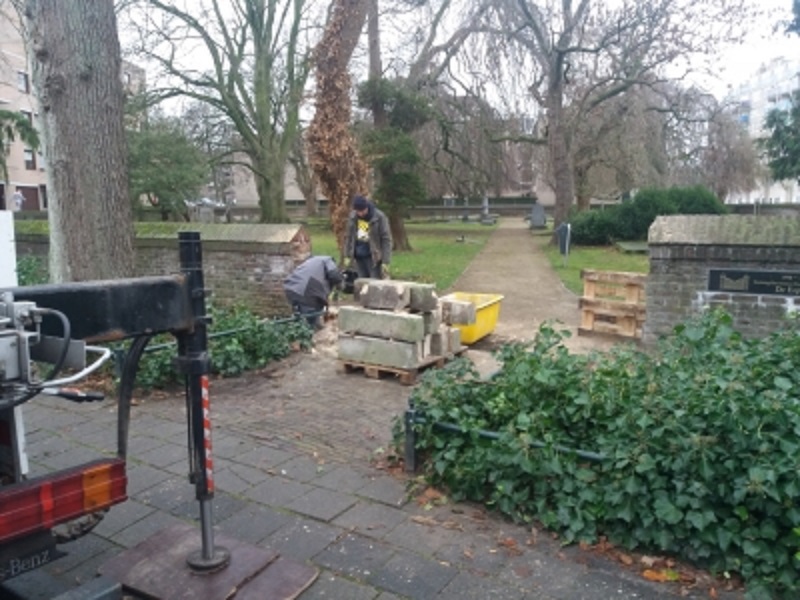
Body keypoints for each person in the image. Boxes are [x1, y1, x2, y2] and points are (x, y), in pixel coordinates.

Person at [283, 255, 343, 330]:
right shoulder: (328, 260)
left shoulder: (312, 261)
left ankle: (298, 334)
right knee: (311, 318)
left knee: (300, 317)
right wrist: (340, 283)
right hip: (307, 290)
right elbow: (334, 275)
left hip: (291, 287)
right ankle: (310, 335)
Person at [344, 195, 392, 279]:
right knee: (361, 283)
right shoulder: (353, 217)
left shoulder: (379, 217)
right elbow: (349, 236)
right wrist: (347, 254)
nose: (361, 213)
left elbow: (386, 239)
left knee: (374, 284)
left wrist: (386, 260)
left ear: (367, 207)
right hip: (358, 256)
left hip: (373, 257)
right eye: (358, 211)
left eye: (363, 210)